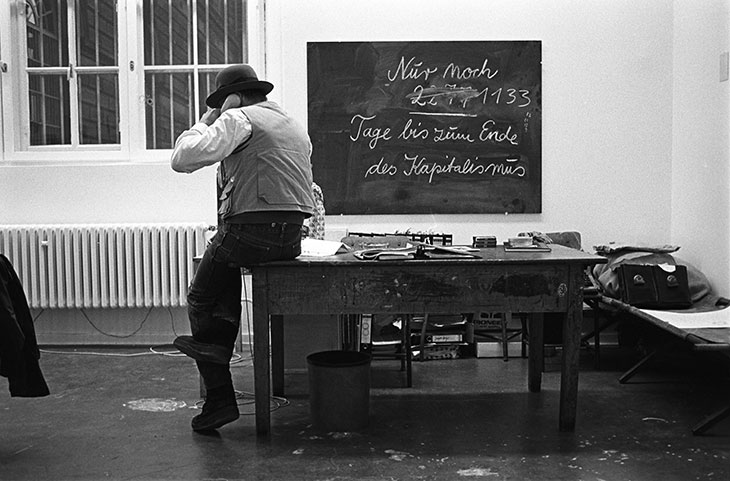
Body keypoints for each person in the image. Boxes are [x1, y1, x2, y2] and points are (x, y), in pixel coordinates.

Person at [170, 64, 315, 432]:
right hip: (290, 240)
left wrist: (207, 119)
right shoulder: (294, 125)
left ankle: (219, 395)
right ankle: (219, 357)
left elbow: (182, 159)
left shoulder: (239, 120)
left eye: (224, 102)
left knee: (201, 297)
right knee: (226, 281)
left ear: (234, 98)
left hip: (250, 234)